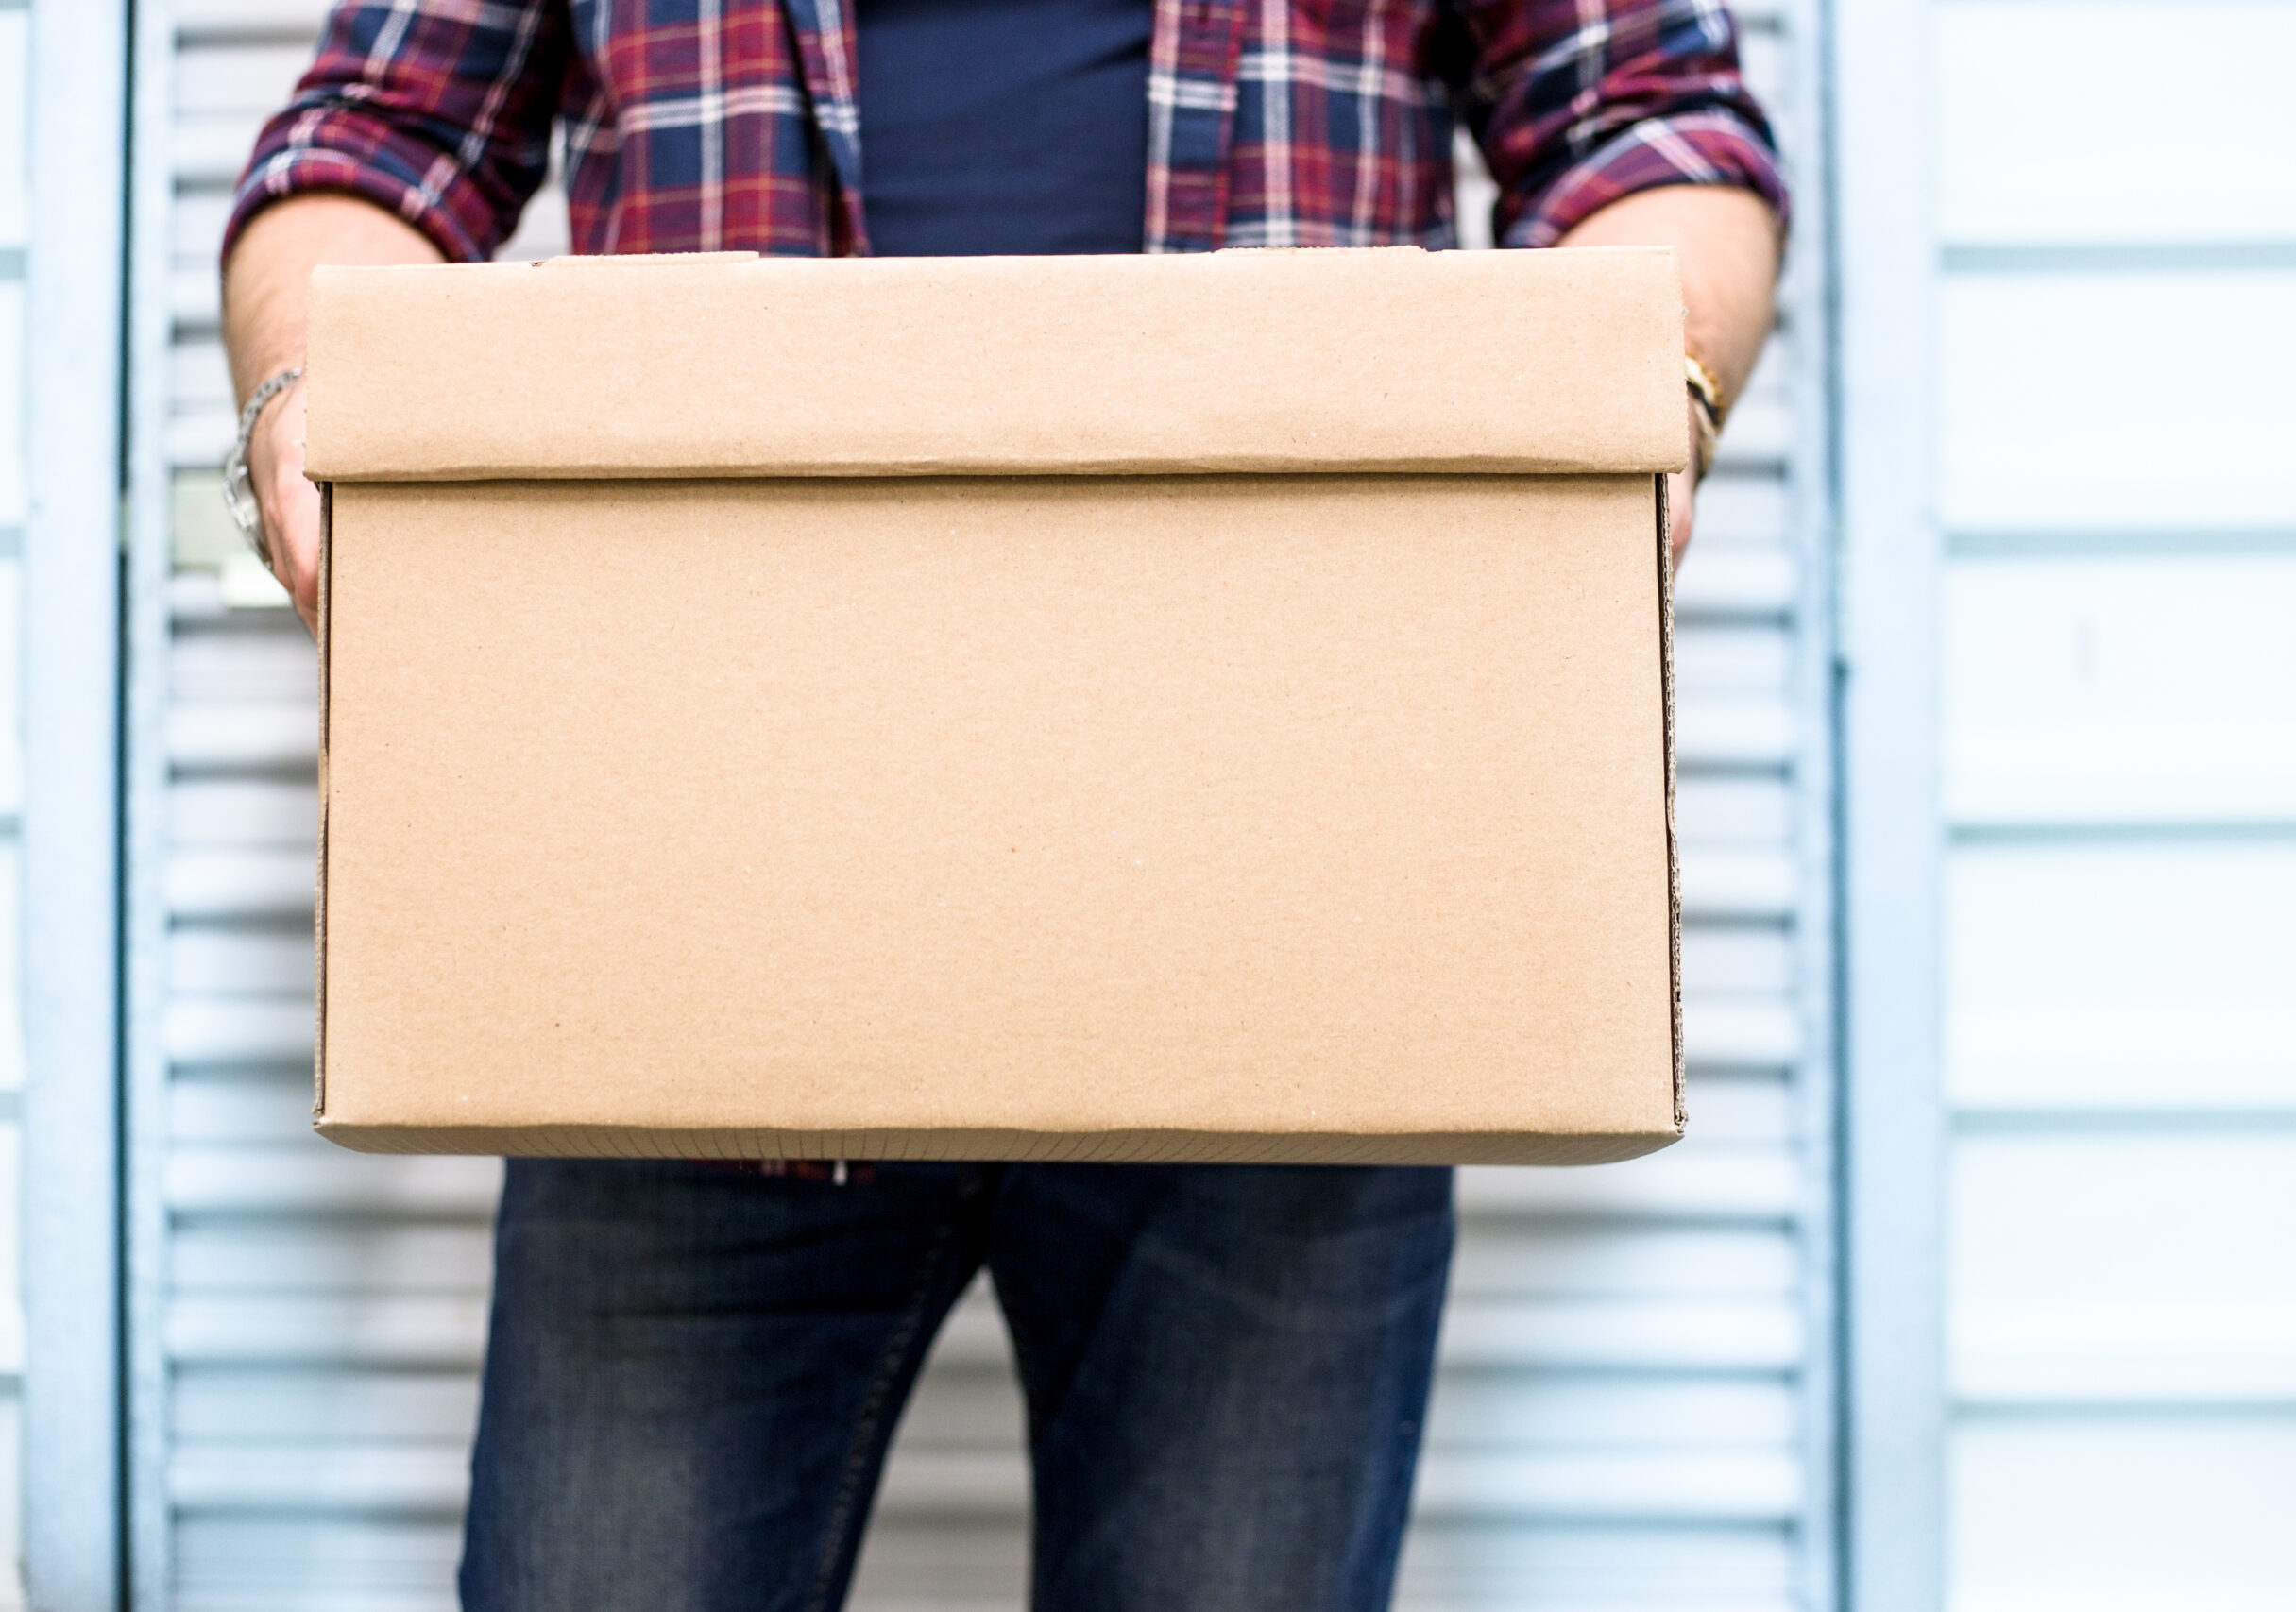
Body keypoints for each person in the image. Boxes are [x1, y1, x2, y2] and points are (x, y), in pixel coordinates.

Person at [222, 1, 1785, 1606]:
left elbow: (1649, 120)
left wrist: (1639, 398)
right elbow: (370, 144)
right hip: (692, 970)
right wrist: (315, 401)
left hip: (1292, 970)